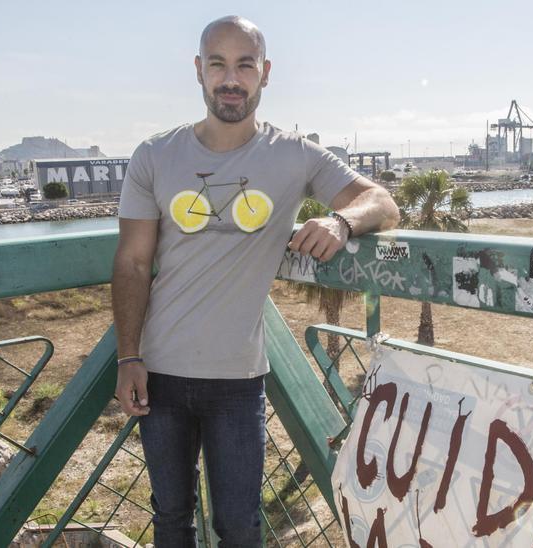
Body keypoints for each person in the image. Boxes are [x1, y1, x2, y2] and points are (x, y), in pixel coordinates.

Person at [110, 15, 400, 547]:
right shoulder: (154, 155)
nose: (231, 79)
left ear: (265, 74)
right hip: (159, 373)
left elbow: (382, 202)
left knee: (240, 528)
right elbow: (131, 263)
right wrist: (128, 356)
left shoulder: (293, 154)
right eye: (218, 64)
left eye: (245, 65)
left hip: (239, 381)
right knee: (170, 520)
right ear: (198, 71)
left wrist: (340, 222)